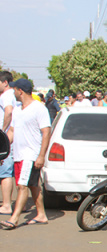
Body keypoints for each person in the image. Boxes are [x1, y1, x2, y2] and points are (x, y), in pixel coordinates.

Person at [1, 79, 51, 229]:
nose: (13, 93)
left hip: (31, 155)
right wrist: (2, 151)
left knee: (22, 186)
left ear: (20, 91)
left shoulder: (39, 109)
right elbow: (11, 132)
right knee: (33, 186)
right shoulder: (17, 110)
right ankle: (41, 214)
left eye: (14, 90)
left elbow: (46, 132)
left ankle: (14, 218)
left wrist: (41, 155)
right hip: (18, 154)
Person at [0, 71, 17, 215]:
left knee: (4, 172)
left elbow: (9, 112)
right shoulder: (14, 95)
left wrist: (2, 132)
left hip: (6, 139)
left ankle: (6, 205)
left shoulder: (6, 95)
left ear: (5, 82)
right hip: (12, 137)